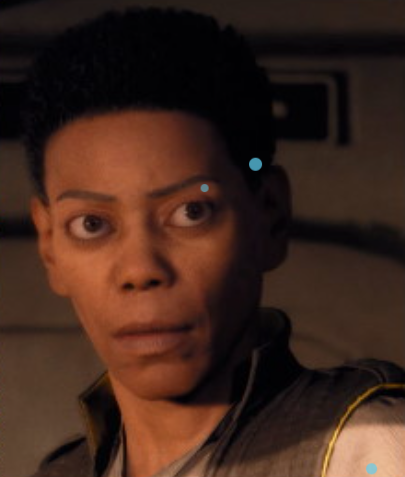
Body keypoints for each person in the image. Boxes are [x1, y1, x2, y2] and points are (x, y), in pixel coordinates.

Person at [22, 7, 405, 477]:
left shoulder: (367, 446)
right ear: (49, 245)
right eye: (91, 225)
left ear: (269, 216)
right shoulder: (63, 473)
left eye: (191, 212)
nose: (140, 269)